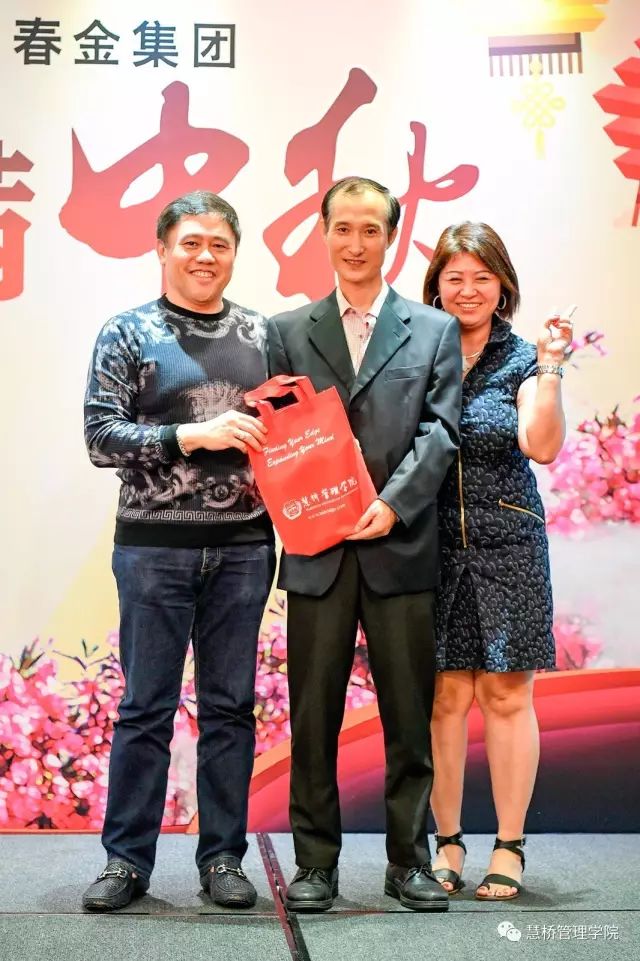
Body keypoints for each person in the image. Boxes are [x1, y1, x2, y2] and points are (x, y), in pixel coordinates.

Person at [266, 176, 462, 912]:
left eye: (370, 229)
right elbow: (279, 439)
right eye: (342, 228)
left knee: (408, 717)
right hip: (317, 553)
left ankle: (408, 861)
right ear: (323, 233)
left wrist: (392, 504)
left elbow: (440, 432)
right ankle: (315, 863)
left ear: (392, 237)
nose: (355, 243)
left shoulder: (432, 329)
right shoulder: (287, 331)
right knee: (313, 715)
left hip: (399, 547)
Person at [82, 191, 276, 912]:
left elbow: (296, 429)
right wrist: (190, 436)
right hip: (152, 549)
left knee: (230, 708)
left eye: (219, 244)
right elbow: (100, 437)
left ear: (235, 253)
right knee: (145, 709)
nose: (205, 256)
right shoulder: (126, 331)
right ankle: (125, 861)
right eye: (191, 242)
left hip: (245, 549)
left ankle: (222, 856)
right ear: (162, 249)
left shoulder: (263, 334)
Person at [422, 221, 572, 901]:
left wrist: (551, 367)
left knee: (507, 695)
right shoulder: (419, 351)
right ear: (436, 285)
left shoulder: (520, 359)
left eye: (482, 277)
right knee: (444, 696)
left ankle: (509, 846)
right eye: (454, 277)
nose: (468, 289)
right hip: (431, 548)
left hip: (509, 545)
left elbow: (542, 445)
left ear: (502, 285)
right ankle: (447, 841)